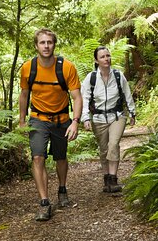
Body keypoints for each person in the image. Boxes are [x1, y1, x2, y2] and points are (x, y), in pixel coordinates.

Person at [19, 28, 82, 221]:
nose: (46, 46)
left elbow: (77, 96)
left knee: (60, 158)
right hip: (38, 119)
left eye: (49, 42)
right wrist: (22, 121)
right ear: (36, 46)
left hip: (62, 119)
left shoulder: (67, 67)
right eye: (42, 43)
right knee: (38, 157)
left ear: (54, 44)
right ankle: (44, 202)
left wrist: (75, 122)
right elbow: (24, 95)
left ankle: (62, 189)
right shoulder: (28, 68)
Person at [81, 46, 136, 193]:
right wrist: (85, 117)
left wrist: (132, 113)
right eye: (102, 57)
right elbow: (84, 98)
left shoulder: (118, 75)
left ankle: (113, 179)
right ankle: (106, 178)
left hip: (117, 116)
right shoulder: (91, 78)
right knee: (104, 149)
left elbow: (127, 94)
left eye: (108, 56)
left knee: (113, 144)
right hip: (98, 118)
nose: (106, 59)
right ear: (96, 60)